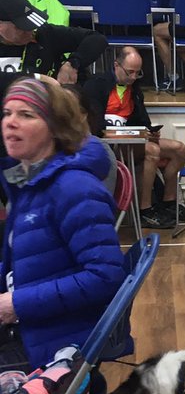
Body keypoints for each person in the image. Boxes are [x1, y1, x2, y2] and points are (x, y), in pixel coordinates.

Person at [0, 76, 125, 370]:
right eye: (7, 113)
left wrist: (16, 304)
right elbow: (29, 262)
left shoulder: (74, 188)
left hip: (54, 345)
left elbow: (106, 277)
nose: (11, 122)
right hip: (33, 328)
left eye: (26, 115)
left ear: (56, 127)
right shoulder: (29, 183)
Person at [83, 45, 185, 229]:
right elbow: (95, 126)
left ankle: (169, 203)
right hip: (106, 145)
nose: (133, 77)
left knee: (178, 149)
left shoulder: (134, 89)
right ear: (116, 65)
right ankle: (145, 210)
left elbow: (142, 121)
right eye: (129, 72)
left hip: (132, 141)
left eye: (137, 73)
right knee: (152, 150)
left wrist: (150, 132)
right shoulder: (96, 85)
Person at [0, 0, 106, 96]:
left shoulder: (44, 34)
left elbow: (96, 39)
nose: (29, 31)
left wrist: (73, 63)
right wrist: (38, 78)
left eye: (31, 25)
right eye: (21, 27)